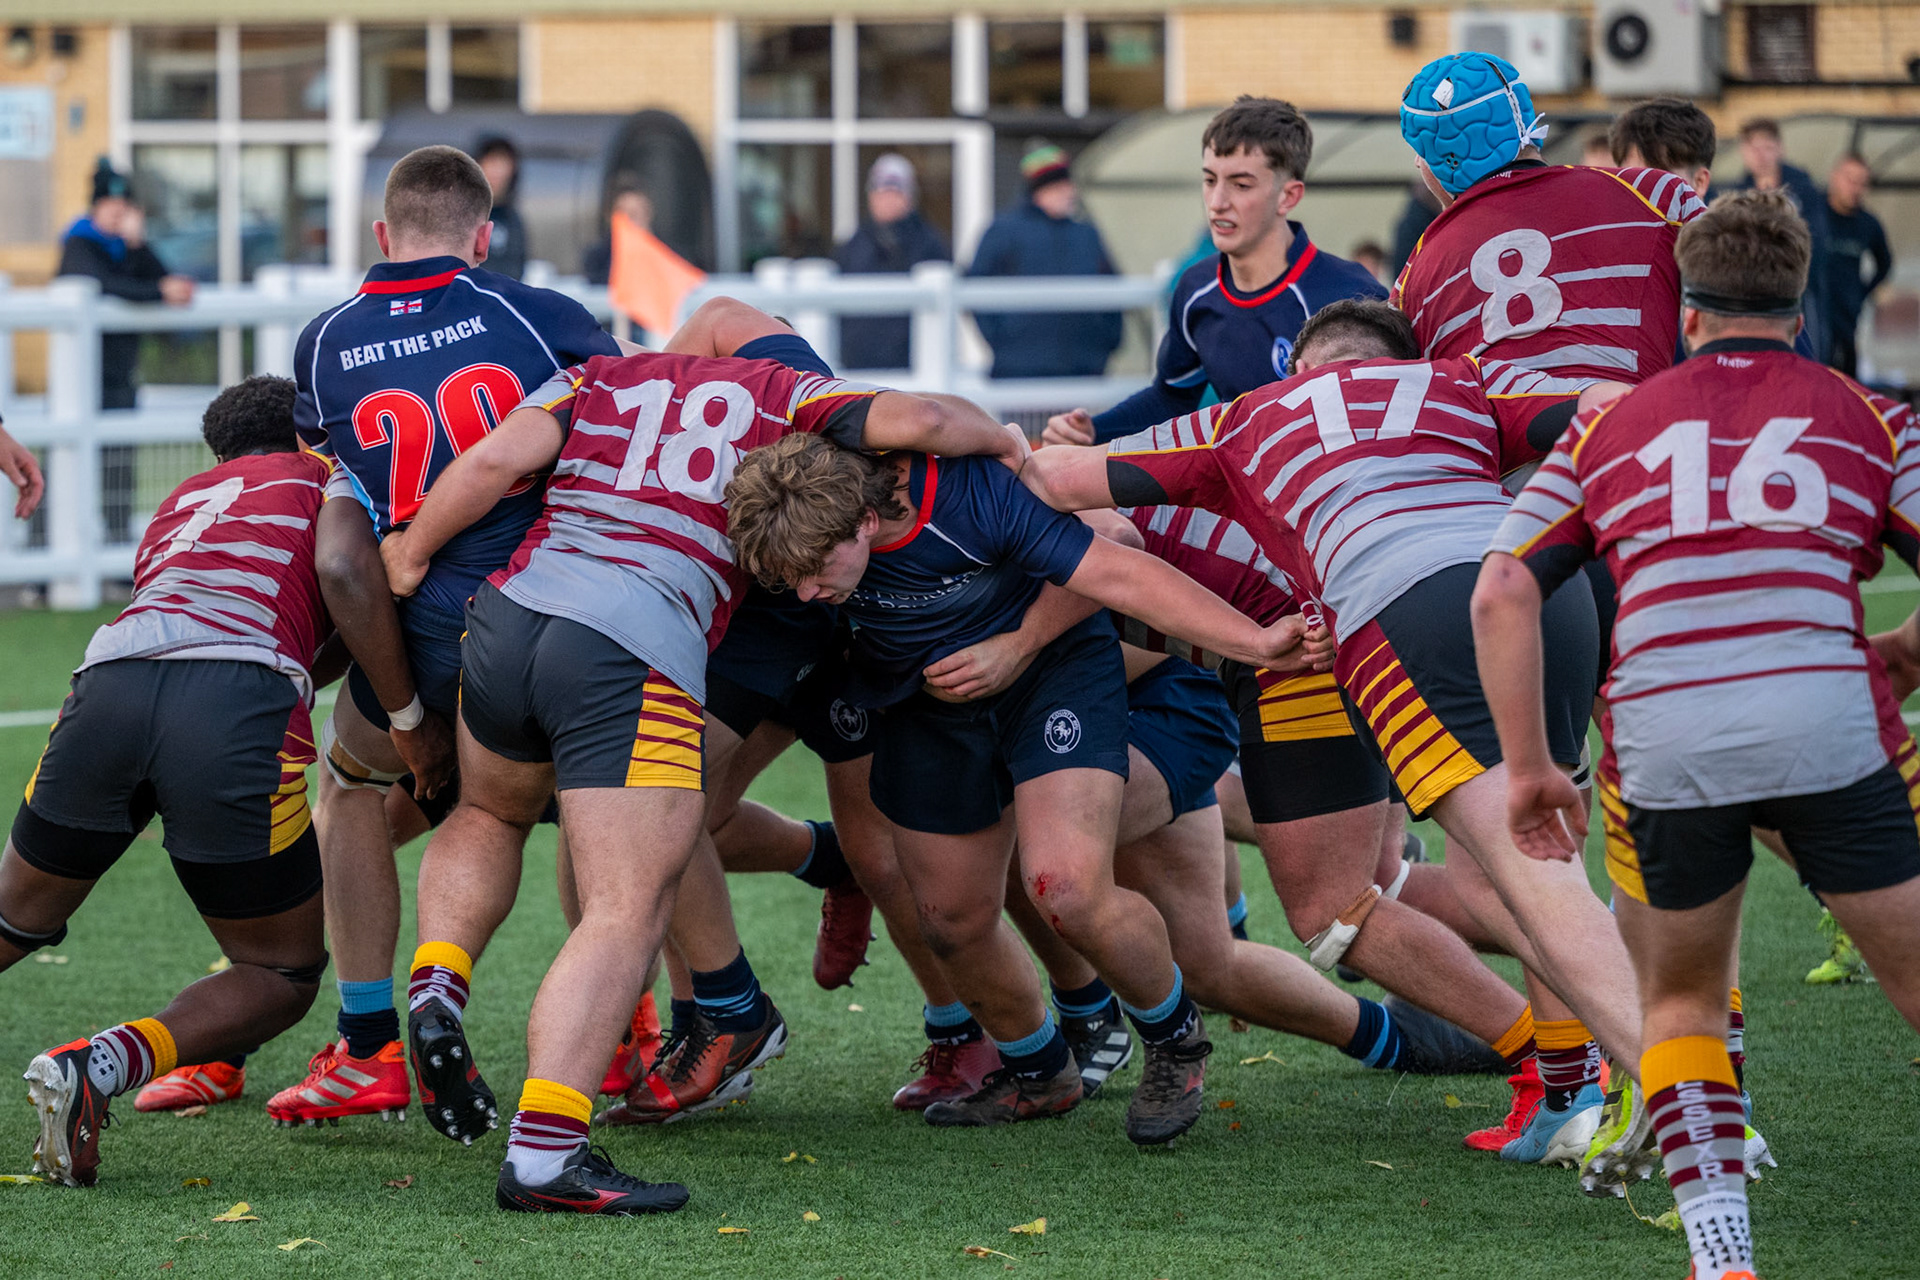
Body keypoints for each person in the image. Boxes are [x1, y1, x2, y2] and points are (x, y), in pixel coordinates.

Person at [376, 302, 1030, 1213]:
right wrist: (1008, 441)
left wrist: (409, 553)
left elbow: (491, 463)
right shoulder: (784, 395)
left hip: (510, 616)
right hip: (628, 641)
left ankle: (438, 980)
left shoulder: (596, 375)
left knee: (490, 813)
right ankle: (545, 1153)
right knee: (626, 905)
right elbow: (921, 418)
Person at [1017, 299, 1653, 1172]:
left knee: (1398, 895)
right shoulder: (1461, 384)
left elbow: (1061, 494)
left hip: (1336, 632)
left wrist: (1006, 619)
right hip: (1535, 590)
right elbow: (1618, 406)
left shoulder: (1249, 416)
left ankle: (1653, 1087)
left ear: (1297, 369)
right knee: (1505, 865)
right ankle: (1574, 1072)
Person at [1478, 189, 1920, 1280]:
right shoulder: (1874, 417)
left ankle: (1722, 1259)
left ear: (1685, 313)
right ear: (1802, 310)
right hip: (1828, 720)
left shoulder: (1607, 424)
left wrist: (1530, 767)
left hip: (1664, 735)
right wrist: (1907, 650)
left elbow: (1502, 591)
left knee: (1680, 1002)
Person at [724, 432, 1322, 1143]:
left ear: (865, 523)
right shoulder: (810, 545)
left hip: (1050, 678)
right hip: (928, 707)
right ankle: (1040, 1071)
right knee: (947, 917)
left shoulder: (970, 499)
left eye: (815, 572)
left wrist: (1255, 644)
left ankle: (1174, 1042)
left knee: (1066, 889)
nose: (805, 594)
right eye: (788, 579)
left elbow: (1118, 558)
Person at [6, 376, 446, 1187]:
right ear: (308, 434)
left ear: (220, 453)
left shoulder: (183, 501)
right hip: (234, 705)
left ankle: (178, 1060)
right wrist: (407, 717)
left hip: (106, 684)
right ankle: (97, 1065)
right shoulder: (330, 475)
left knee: (15, 919)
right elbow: (348, 584)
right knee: (278, 973)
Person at [276, 145, 621, 1133]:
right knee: (614, 806)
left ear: (381, 235)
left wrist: (405, 710)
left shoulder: (323, 342)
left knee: (349, 786)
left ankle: (367, 1044)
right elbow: (626, 422)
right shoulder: (538, 315)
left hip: (419, 630)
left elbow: (342, 514)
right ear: (482, 237)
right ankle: (641, 1031)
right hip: (550, 616)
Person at [1044, 97, 1384, 448]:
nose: (1218, 202)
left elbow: (1385, 423)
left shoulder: (1348, 296)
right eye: (1209, 180)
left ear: (1288, 197)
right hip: (1236, 477)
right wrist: (1093, 431)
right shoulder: (1197, 289)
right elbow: (1172, 398)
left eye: (1241, 185)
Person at [1393, 53, 1707, 387]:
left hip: (1503, 423)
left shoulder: (1417, 275)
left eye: (1421, 152)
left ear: (1449, 160)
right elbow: (1737, 292)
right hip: (1634, 416)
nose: (1418, 163)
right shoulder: (1658, 197)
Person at [57, 159, 195, 544]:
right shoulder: (79, 243)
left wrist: (138, 245)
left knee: (119, 464)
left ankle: (116, 544)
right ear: (96, 206)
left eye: (124, 206)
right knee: (66, 465)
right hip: (80, 374)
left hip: (119, 373)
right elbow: (104, 285)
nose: (118, 213)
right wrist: (157, 292)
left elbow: (160, 276)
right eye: (110, 205)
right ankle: (48, 543)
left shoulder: (126, 247)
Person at [967, 143, 1123, 379]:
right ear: (1040, 191)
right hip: (1020, 372)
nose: (1069, 193)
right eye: (1060, 186)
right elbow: (976, 287)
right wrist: (1004, 340)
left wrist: (1106, 341)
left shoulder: (1086, 234)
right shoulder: (1003, 232)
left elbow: (1112, 287)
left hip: (1083, 369)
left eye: (1069, 185)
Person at [833, 154, 949, 371]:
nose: (887, 199)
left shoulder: (929, 244)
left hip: (913, 365)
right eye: (880, 192)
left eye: (895, 192)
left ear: (910, 197)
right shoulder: (853, 246)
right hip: (859, 364)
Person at [1730, 118, 1829, 360]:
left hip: (1799, 291)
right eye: (1753, 148)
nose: (1760, 155)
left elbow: (1818, 240)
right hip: (1751, 294)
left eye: (1767, 147)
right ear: (1743, 152)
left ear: (1780, 148)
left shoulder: (1804, 190)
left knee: (1806, 357)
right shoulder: (1736, 194)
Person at [1822, 153, 1893, 380]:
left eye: (1862, 183)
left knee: (1847, 376)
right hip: (1815, 312)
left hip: (1847, 313)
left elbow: (1885, 263)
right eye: (1850, 180)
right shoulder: (1815, 214)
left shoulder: (1868, 223)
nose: (1855, 188)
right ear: (1834, 177)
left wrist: (1861, 293)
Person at [475, 136, 528, 281]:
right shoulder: (461, 216)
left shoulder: (513, 220)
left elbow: (517, 268)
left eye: (504, 164)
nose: (498, 172)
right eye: (492, 162)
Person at [583, 183, 652, 286]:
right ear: (610, 216)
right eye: (624, 215)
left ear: (648, 215)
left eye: (635, 214)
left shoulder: (668, 253)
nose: (631, 222)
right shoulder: (597, 258)